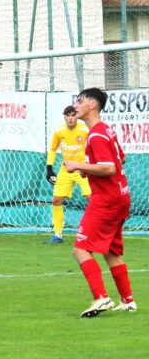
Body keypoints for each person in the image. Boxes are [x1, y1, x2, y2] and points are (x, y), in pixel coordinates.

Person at [63, 88, 136, 317]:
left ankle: (101, 298)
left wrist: (79, 166)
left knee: (80, 249)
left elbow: (109, 167)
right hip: (120, 196)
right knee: (111, 251)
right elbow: (120, 158)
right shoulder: (105, 130)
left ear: (92, 105)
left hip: (106, 200)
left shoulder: (95, 134)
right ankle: (128, 301)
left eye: (80, 100)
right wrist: (91, 171)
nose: (76, 104)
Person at [45, 106, 91, 244]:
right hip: (66, 170)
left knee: (92, 199)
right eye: (68, 115)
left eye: (73, 115)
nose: (70, 118)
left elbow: (92, 147)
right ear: (64, 117)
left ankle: (94, 232)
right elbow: (53, 149)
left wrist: (90, 166)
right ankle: (58, 235)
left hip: (83, 170)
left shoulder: (84, 130)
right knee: (56, 200)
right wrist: (49, 168)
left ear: (77, 116)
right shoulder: (59, 131)